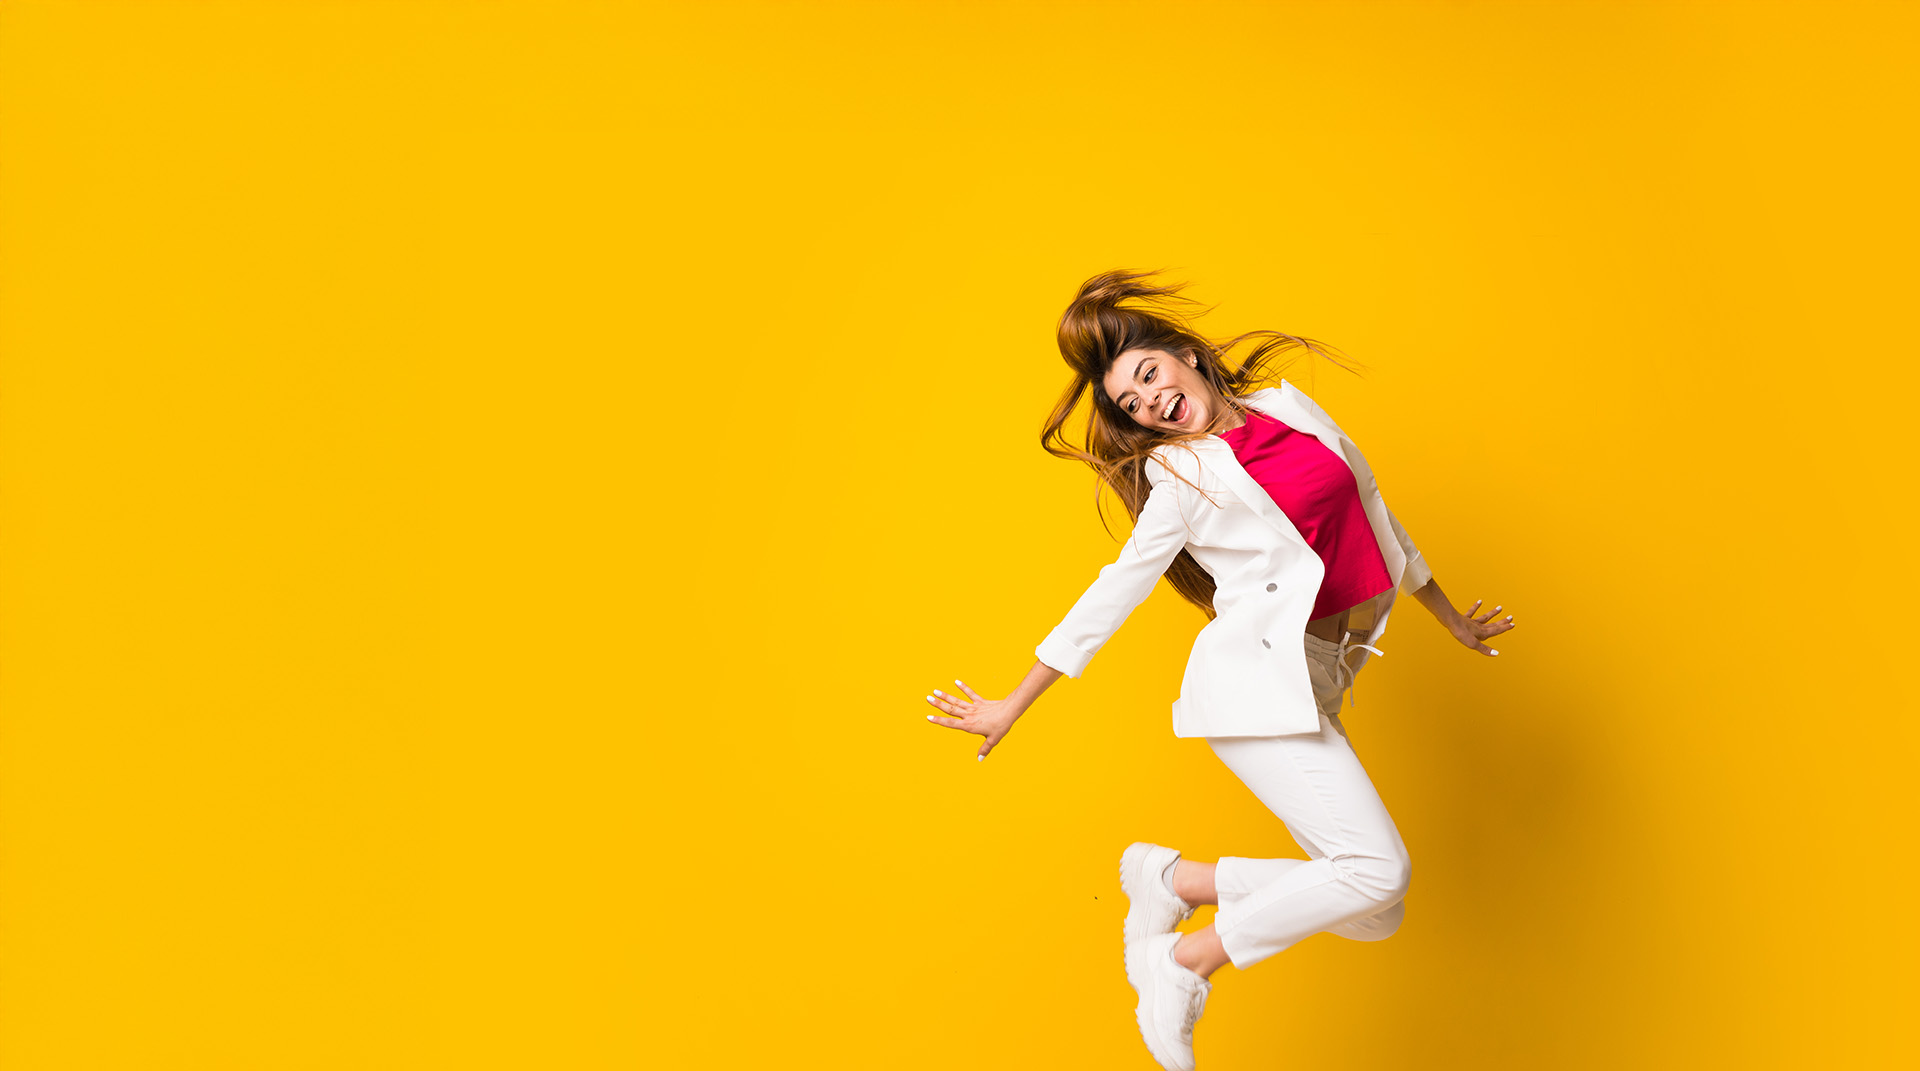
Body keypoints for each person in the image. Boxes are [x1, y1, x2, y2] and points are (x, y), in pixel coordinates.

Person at [921, 270, 1515, 1070]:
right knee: (1379, 869)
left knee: (1377, 909)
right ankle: (1185, 961)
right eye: (1131, 405)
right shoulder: (1180, 475)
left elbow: (1374, 508)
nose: (1148, 402)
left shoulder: (1289, 410)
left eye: (1149, 376)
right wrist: (1013, 702)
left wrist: (1447, 615)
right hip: (1251, 694)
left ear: (1188, 357)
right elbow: (1115, 590)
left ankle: (1171, 877)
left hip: (1318, 680)